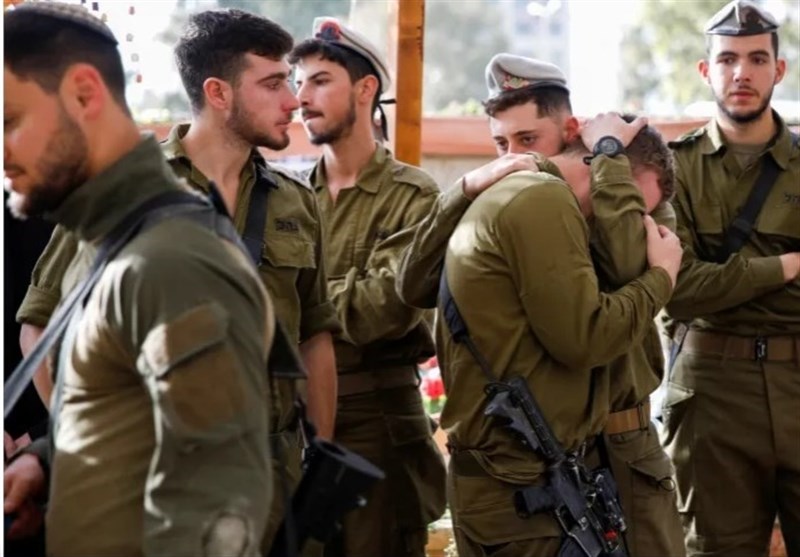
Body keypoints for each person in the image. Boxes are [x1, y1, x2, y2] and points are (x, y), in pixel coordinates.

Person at [14, 9, 342, 552]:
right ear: (218, 92)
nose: (293, 101)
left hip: (274, 477)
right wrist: (81, 449)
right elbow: (39, 327)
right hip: (155, 482)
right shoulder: (125, 192)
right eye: (273, 83)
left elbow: (314, 336)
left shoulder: (295, 201)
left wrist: (318, 461)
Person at [399, 53, 686, 556]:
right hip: (536, 459)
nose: (513, 157)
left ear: (573, 132)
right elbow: (412, 285)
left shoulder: (618, 191)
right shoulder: (524, 200)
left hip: (616, 440)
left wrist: (609, 162)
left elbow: (624, 262)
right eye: (501, 144)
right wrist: (464, 188)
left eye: (528, 140)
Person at [290, 17, 447, 557]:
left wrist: (297, 302)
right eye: (298, 84)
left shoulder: (414, 195)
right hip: (298, 422)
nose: (301, 98)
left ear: (365, 89)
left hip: (379, 424)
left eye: (320, 81)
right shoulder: (289, 199)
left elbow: (381, 308)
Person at [662, 1, 800, 555]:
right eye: (727, 59)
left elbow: (701, 284)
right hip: (711, 396)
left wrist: (723, 284)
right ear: (706, 70)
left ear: (778, 69)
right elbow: (679, 288)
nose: (741, 72)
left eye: (757, 59)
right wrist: (785, 266)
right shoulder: (673, 168)